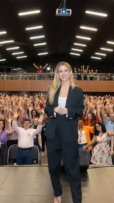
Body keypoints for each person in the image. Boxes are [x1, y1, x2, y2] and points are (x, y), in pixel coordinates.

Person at [44, 61, 84, 203]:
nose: (63, 73)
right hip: (53, 132)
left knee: (71, 168)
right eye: (60, 71)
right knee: (53, 167)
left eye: (65, 70)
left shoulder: (77, 91)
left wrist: (68, 111)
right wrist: (53, 110)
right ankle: (57, 193)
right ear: (57, 74)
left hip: (69, 133)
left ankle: (77, 199)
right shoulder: (51, 89)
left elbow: (80, 111)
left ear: (70, 72)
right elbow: (46, 109)